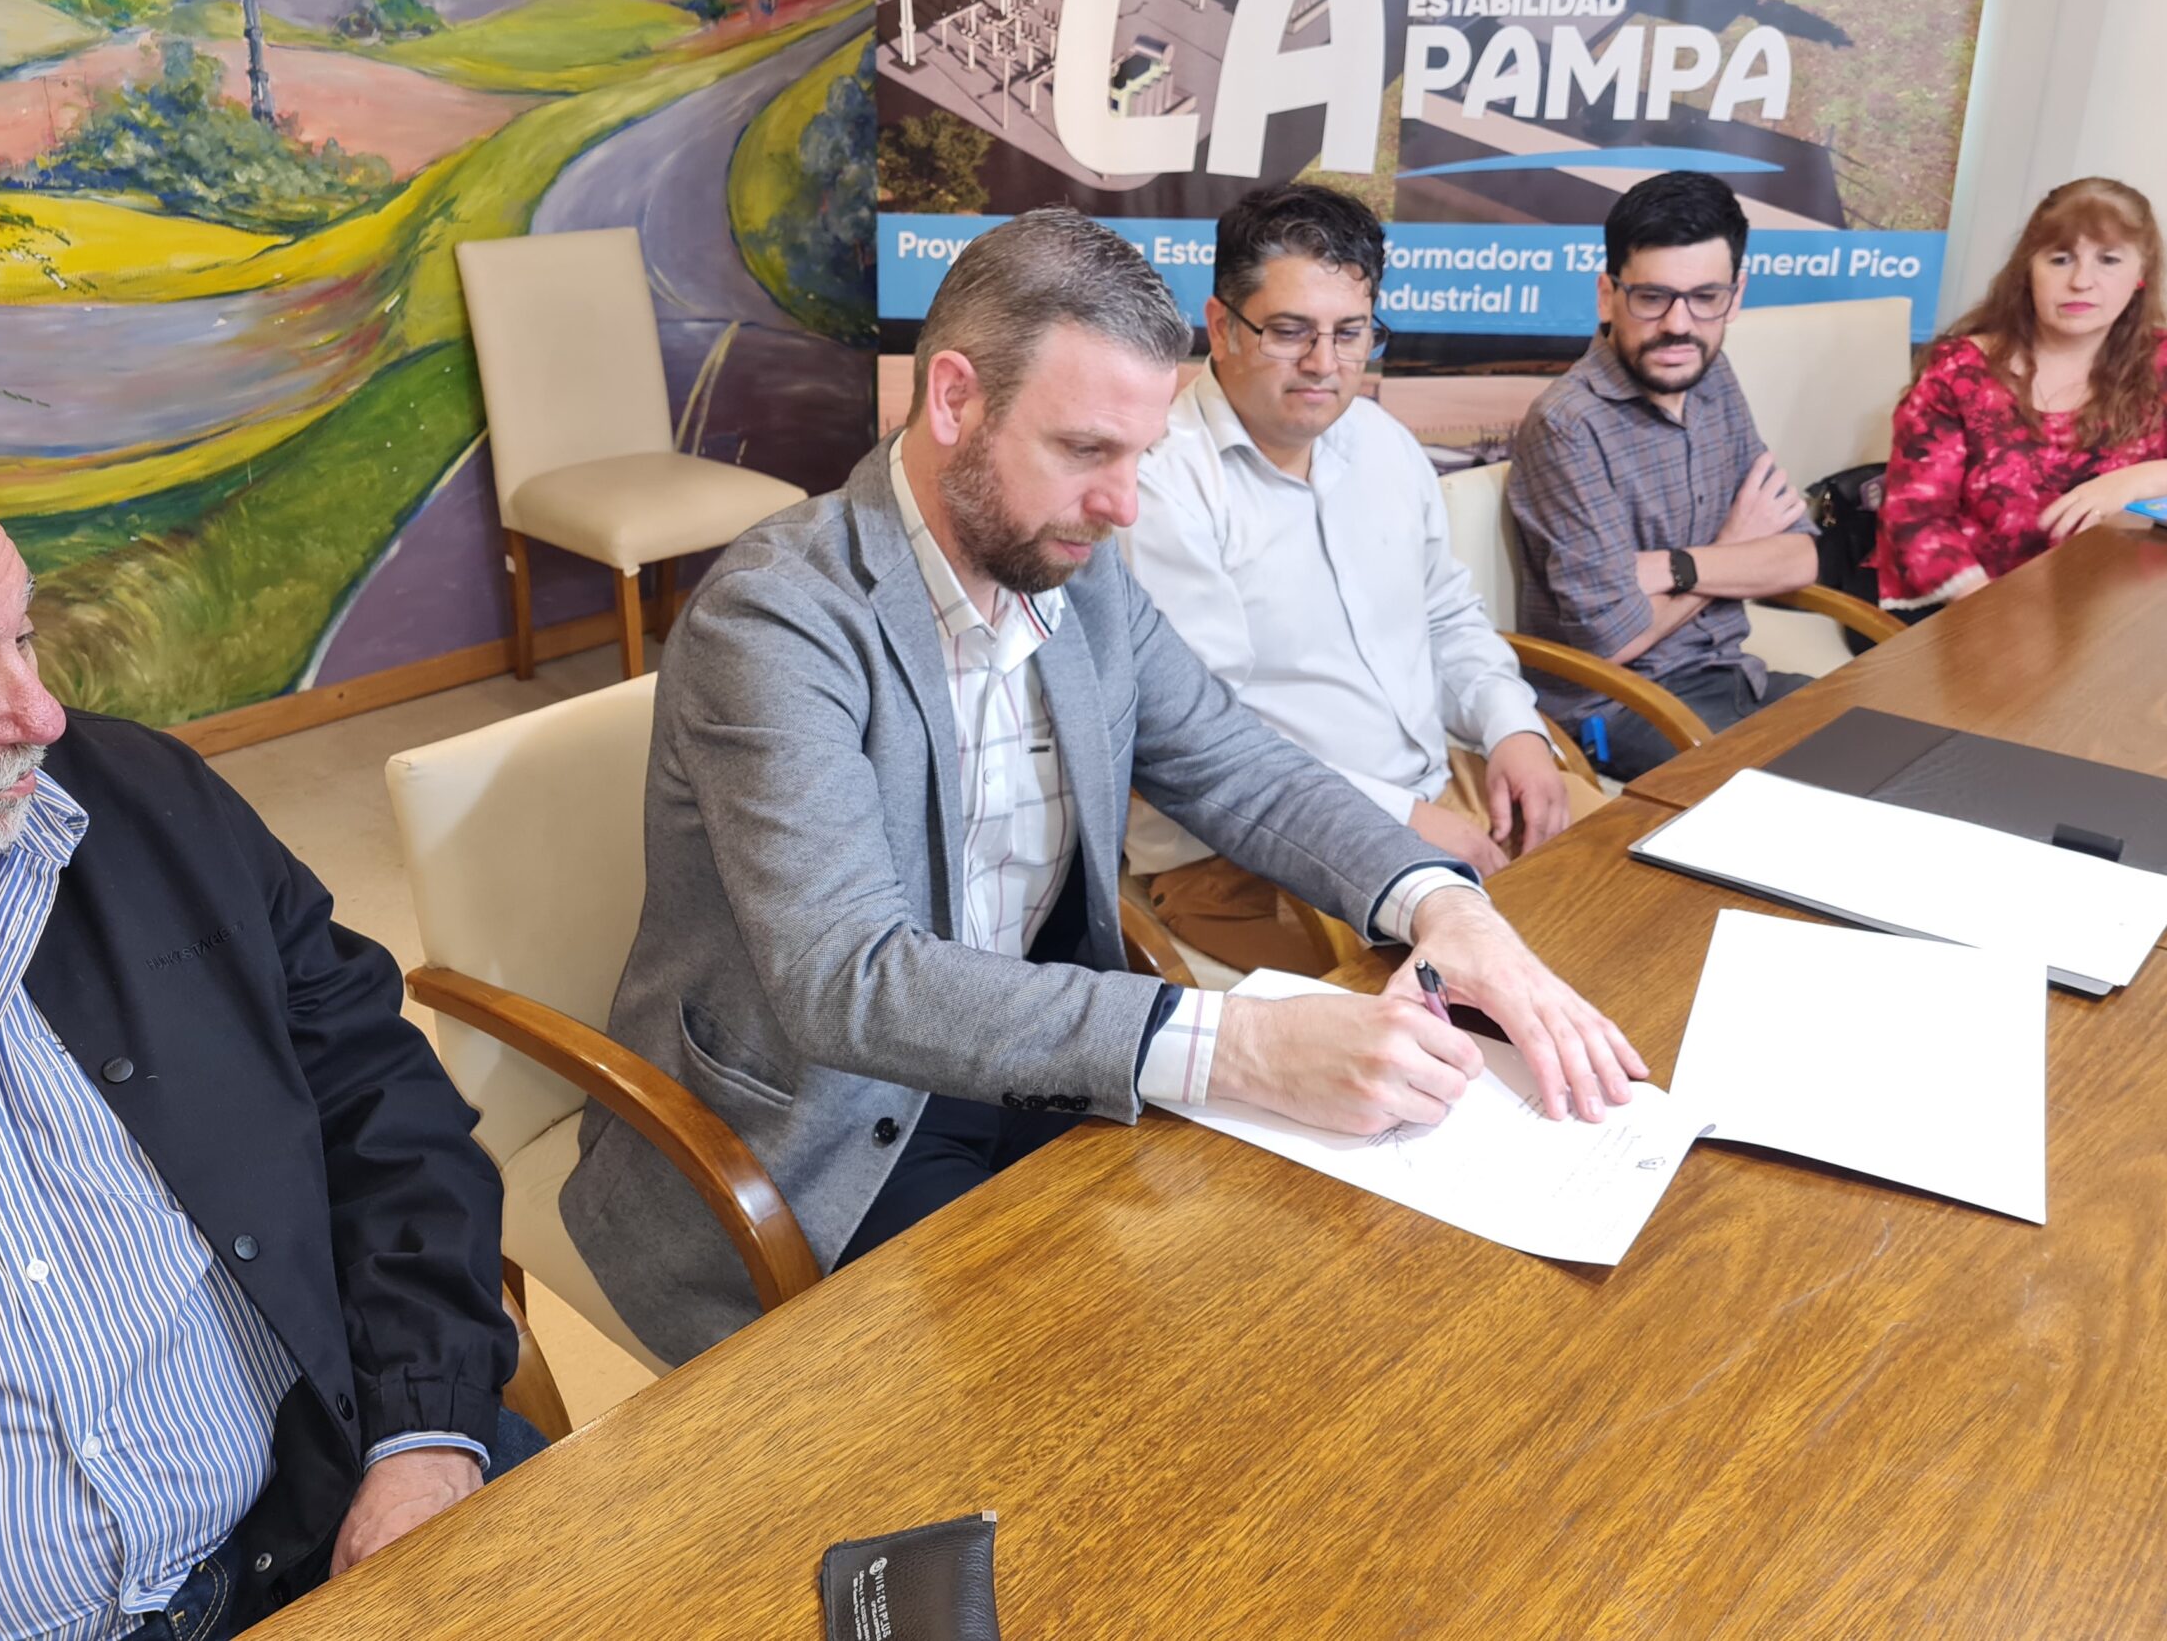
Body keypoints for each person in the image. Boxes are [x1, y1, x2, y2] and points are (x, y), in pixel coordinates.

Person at [563, 208, 1649, 1367]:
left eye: (1140, 457)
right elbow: (851, 982)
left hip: (1037, 1051)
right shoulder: (778, 614)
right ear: (953, 401)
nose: (1125, 503)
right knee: (1079, 1392)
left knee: (1284, 1311)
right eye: (1086, 451)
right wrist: (1243, 1046)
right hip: (827, 1119)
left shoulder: (1074, 568)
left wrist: (1440, 901)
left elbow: (1231, 761)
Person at [0, 425, 525, 1641]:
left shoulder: (145, 806)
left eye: (24, 635)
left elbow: (379, 1104)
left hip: (342, 1498)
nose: (41, 714)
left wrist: (425, 1430)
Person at [1122, 182, 1608, 973]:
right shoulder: (1161, 487)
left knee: (1638, 886)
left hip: (1436, 783)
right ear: (1220, 325)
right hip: (1248, 849)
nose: (1325, 364)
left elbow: (1446, 616)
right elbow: (1205, 745)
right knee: (1518, 987)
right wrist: (1399, 818)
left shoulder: (1380, 441)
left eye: (1351, 333)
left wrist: (1512, 728)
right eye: (1290, 331)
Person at [1506, 171, 1819, 779]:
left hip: (1732, 675)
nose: (1679, 324)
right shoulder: (1568, 424)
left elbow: (1801, 557)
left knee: (1887, 744)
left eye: (1706, 297)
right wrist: (1728, 550)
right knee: (1809, 806)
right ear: (1607, 295)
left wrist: (1671, 567)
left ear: (1737, 294)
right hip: (1624, 709)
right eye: (1653, 297)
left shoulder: (1712, 376)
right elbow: (1612, 641)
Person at [1872, 177, 2167, 609]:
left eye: (2108, 260)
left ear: (2140, 274)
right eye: (2061, 258)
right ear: (2029, 269)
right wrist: (1989, 612)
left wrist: (2133, 482)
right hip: (1968, 609)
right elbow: (1915, 518)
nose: (2081, 281)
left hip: (2112, 609)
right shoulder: (1959, 371)